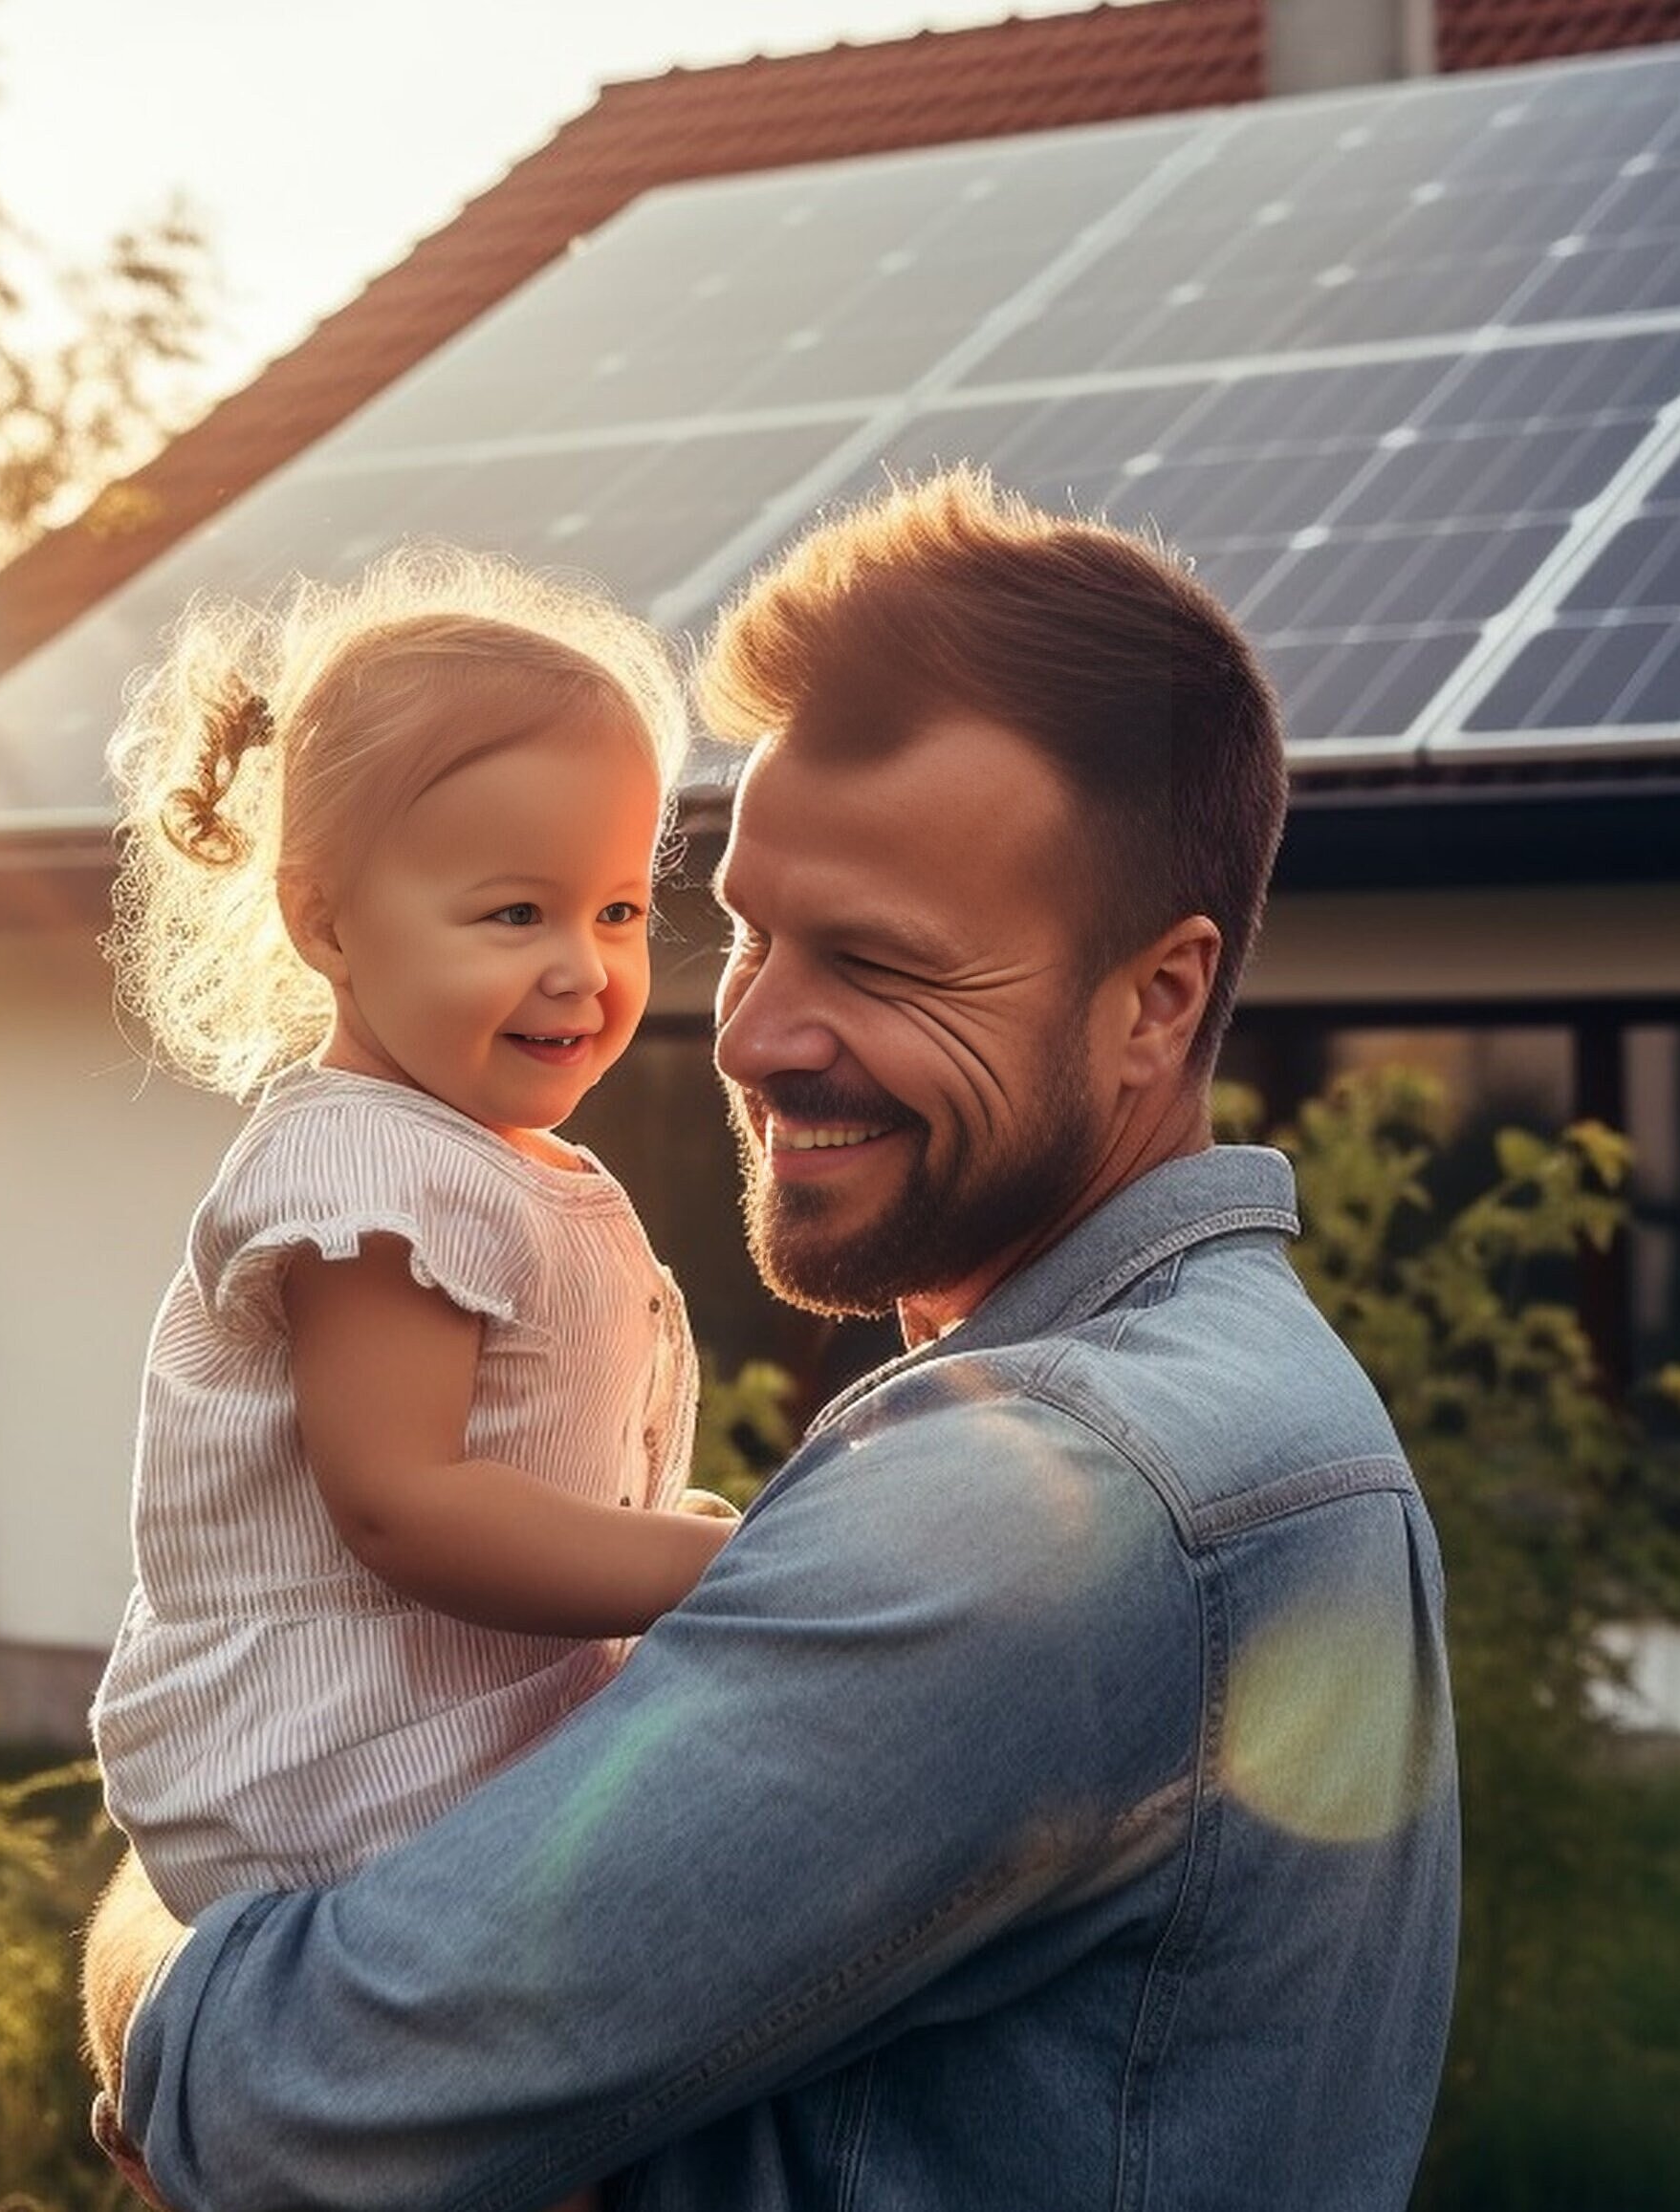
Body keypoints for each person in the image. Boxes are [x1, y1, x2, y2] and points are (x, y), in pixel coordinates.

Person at [83, 467, 1461, 2211]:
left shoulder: (1049, 1503)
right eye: (744, 928)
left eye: (881, 962)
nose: (749, 1037)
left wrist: (153, 1930)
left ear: (1156, 998)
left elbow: (287, 2110)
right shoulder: (1246, 1399)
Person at [90, 550, 741, 1950]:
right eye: (515, 912)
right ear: (322, 917)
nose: (584, 964)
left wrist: (652, 1537)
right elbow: (404, 1503)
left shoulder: (484, 1158)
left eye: (616, 908)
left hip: (431, 1741)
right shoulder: (366, 1171)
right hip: (339, 1764)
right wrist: (694, 1573)